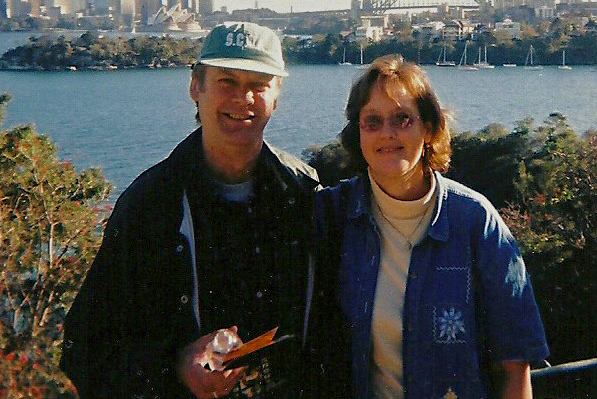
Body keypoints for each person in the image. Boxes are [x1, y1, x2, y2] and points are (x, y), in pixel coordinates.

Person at [60, 22, 320, 399]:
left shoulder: (307, 193)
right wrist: (176, 368)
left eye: (259, 84)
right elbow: (85, 349)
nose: (243, 98)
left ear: (277, 95)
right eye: (227, 81)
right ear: (196, 86)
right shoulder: (150, 205)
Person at [313, 55, 549, 398]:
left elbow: (514, 365)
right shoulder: (333, 214)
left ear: (428, 128)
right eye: (372, 121)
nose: (387, 133)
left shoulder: (475, 222)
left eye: (402, 119)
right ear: (358, 134)